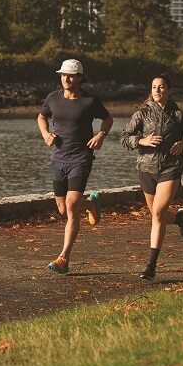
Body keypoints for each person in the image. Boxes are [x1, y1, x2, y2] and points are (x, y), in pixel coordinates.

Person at [121, 73, 183, 281]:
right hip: (146, 169)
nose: (157, 90)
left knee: (157, 213)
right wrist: (142, 141)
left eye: (162, 87)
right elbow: (124, 138)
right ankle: (179, 219)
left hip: (171, 167)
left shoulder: (178, 115)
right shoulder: (141, 114)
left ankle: (151, 265)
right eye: (154, 87)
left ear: (169, 90)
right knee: (158, 216)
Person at [37, 58, 113, 274]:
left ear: (80, 77)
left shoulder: (90, 101)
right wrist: (45, 134)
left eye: (70, 75)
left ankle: (64, 258)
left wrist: (101, 135)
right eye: (63, 75)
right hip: (58, 159)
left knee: (71, 206)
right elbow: (41, 117)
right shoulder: (53, 98)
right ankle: (90, 205)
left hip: (81, 158)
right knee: (63, 209)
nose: (66, 79)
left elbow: (108, 119)